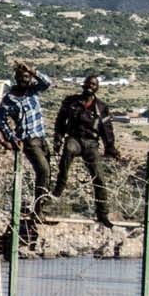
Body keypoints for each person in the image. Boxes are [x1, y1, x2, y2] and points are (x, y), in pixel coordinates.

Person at [53, 73, 122, 228]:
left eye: (94, 84)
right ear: (83, 85)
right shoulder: (71, 102)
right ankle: (59, 186)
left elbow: (107, 130)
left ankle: (102, 213)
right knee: (68, 150)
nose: (90, 86)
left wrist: (110, 147)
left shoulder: (101, 107)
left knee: (99, 178)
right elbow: (60, 121)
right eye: (88, 83)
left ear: (97, 88)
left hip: (91, 143)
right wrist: (58, 139)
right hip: (74, 138)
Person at [0, 61, 54, 215]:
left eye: (28, 77)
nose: (25, 80)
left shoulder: (33, 91)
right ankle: (38, 209)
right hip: (28, 140)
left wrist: (34, 71)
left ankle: (43, 204)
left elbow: (47, 83)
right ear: (16, 78)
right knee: (43, 170)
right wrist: (12, 138)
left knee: (49, 171)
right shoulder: (10, 99)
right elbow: (1, 121)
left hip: (41, 137)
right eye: (22, 77)